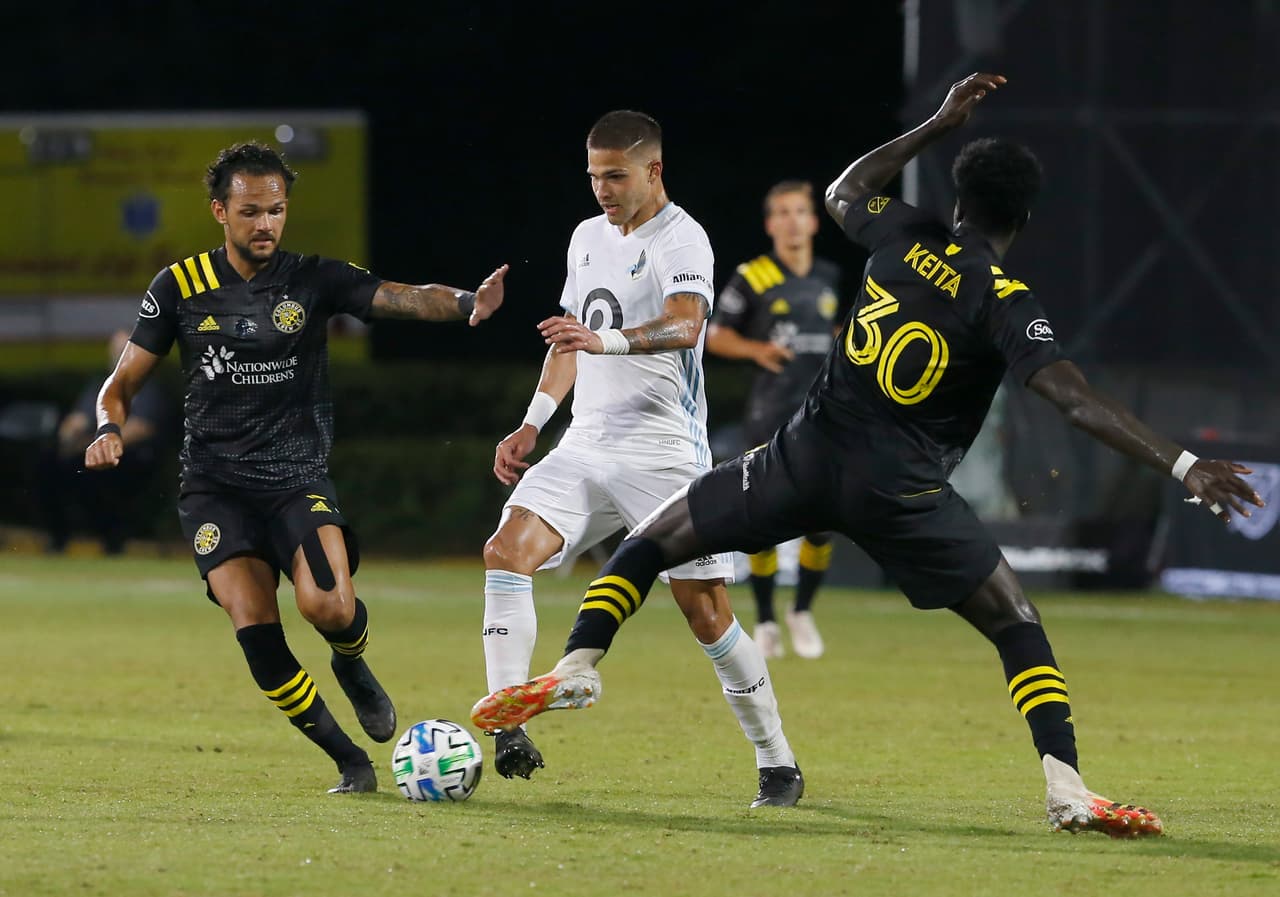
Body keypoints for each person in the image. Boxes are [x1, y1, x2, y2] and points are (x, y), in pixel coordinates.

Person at [471, 74, 1265, 836]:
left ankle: (582, 659)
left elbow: (845, 189)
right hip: (904, 492)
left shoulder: (901, 232)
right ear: (1022, 218)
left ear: (954, 199)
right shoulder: (1004, 298)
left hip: (806, 456)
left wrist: (937, 123)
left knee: (649, 543)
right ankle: (1063, 782)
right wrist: (1186, 465)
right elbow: (1073, 397)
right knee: (1017, 625)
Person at [85, 141, 508, 794]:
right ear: (219, 211)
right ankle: (350, 760)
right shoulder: (179, 287)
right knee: (254, 623)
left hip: (294, 478)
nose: (266, 224)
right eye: (251, 211)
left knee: (330, 604)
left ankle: (353, 661)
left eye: (276, 210)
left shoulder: (313, 277)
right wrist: (108, 427)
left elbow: (398, 295)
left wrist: (462, 302)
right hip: (213, 489)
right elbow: (120, 385)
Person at [479, 109, 802, 808]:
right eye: (593, 175)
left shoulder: (682, 237)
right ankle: (507, 719)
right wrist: (533, 423)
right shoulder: (586, 236)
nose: (602, 188)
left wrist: (610, 343)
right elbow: (570, 339)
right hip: (585, 443)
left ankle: (777, 760)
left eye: (615, 175)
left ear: (653, 170)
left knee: (706, 612)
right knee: (506, 551)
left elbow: (689, 323)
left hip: (663, 451)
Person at [706, 180, 842, 659]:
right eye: (781, 212)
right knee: (762, 518)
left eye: (799, 211)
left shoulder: (829, 276)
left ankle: (801, 611)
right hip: (770, 415)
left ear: (813, 221)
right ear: (769, 224)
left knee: (822, 520)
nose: (790, 220)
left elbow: (840, 332)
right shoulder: (755, 275)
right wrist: (756, 349)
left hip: (824, 415)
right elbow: (714, 335)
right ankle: (765, 621)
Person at [38, 329, 173, 554]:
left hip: (132, 456)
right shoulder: (100, 386)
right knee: (48, 465)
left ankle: (112, 539)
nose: (119, 357)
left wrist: (101, 444)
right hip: (93, 452)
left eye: (124, 351)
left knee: (102, 476)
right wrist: (69, 434)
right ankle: (58, 538)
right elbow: (79, 418)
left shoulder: (150, 387)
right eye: (116, 351)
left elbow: (142, 427)